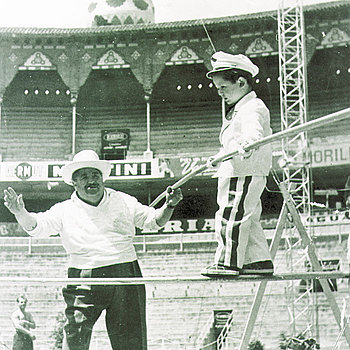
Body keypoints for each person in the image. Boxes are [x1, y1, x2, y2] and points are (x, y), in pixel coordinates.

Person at [4, 149, 183, 350]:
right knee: (75, 337)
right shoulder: (64, 209)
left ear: (102, 179)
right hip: (84, 277)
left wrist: (169, 206)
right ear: (74, 182)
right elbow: (38, 226)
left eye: (95, 175)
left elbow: (153, 221)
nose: (92, 181)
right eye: (84, 177)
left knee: (131, 340)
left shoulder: (123, 200)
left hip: (125, 274)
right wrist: (20, 213)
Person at [201, 51, 273, 277]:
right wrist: (218, 157)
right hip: (240, 169)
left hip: (242, 172)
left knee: (231, 216)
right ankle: (260, 261)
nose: (220, 92)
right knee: (248, 219)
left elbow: (254, 133)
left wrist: (250, 143)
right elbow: (232, 143)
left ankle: (227, 263)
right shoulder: (239, 108)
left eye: (223, 87)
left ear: (241, 82)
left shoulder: (252, 107)